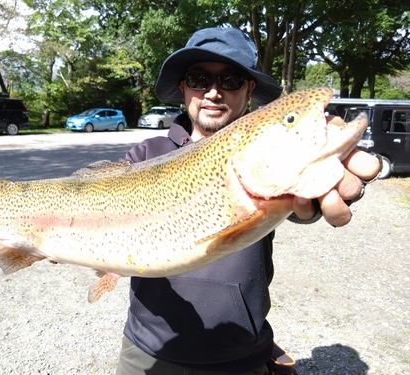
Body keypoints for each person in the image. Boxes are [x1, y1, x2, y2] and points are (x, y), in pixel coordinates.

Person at [115, 27, 381, 375]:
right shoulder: (144, 155)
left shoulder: (267, 155)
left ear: (250, 89)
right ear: (182, 86)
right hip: (147, 353)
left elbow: (303, 202)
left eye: (231, 80)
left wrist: (324, 187)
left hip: (243, 356)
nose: (213, 91)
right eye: (198, 78)